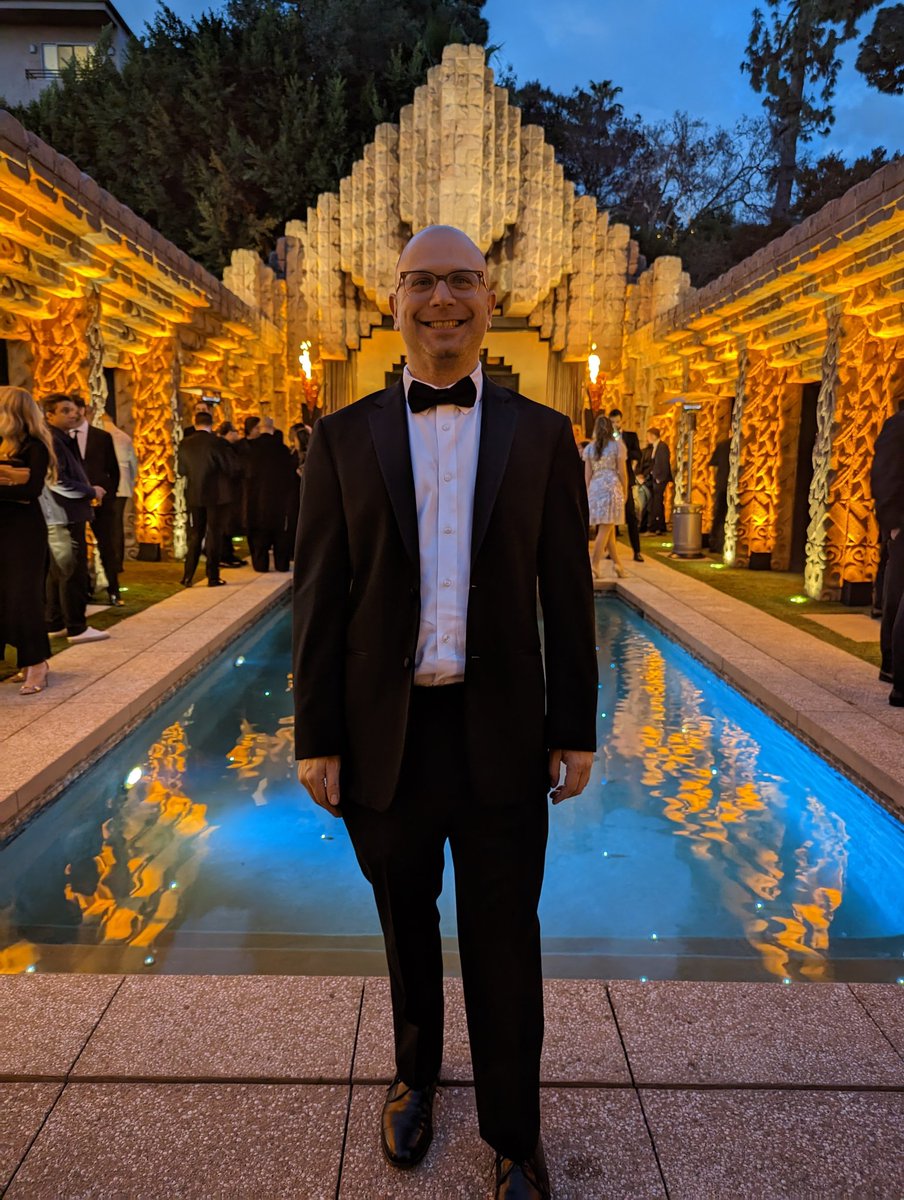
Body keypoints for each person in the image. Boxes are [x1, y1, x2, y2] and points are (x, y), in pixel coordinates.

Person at [293, 225, 597, 1200]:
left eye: (461, 280)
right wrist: (315, 736)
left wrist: (575, 723)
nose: (442, 300)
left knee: (505, 938)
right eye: (422, 281)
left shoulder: (544, 436)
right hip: (387, 740)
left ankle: (514, 1133)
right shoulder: (339, 439)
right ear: (396, 302)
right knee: (404, 923)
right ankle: (414, 1076)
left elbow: (567, 590)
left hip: (503, 734)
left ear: (489, 297)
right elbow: (318, 597)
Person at [41, 395, 109, 643]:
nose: (74, 414)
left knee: (59, 571)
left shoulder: (61, 438)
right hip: (63, 514)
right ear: (50, 415)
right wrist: (92, 491)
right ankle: (76, 627)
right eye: (65, 410)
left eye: (74, 410)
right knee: (71, 571)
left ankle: (56, 622)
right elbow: (56, 480)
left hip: (63, 513)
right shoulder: (53, 440)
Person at [0, 387, 55, 694]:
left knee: (25, 596)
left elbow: (31, 490)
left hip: (23, 532)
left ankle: (36, 662)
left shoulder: (34, 446)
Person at [176, 410, 238, 587]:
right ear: (211, 424)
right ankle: (213, 576)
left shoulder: (185, 444)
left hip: (194, 494)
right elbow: (230, 467)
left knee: (195, 535)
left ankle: (188, 575)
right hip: (217, 495)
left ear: (195, 423)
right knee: (214, 535)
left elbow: (181, 470)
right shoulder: (217, 443)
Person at [870, 397, 904, 706]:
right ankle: (895, 672)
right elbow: (885, 475)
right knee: (897, 600)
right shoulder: (898, 425)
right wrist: (893, 524)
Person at [71, 396, 121, 605]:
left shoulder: (101, 437)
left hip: (101, 501)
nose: (73, 415)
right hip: (73, 501)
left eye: (75, 410)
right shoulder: (61, 438)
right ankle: (83, 590)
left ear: (84, 411)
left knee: (106, 545)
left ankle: (114, 591)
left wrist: (108, 495)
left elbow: (114, 470)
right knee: (76, 547)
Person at [243, 416, 294, 572]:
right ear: (273, 429)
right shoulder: (283, 450)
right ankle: (282, 564)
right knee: (280, 534)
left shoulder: (251, 449)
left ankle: (261, 565)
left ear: (260, 429)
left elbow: (247, 474)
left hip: (257, 499)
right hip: (279, 500)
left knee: (259, 533)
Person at [584, 413, 628, 580]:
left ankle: (618, 565)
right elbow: (622, 472)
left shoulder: (590, 448)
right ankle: (594, 564)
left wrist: (587, 493)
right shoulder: (617, 446)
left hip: (595, 488)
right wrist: (624, 490)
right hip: (611, 487)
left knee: (608, 529)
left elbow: (587, 475)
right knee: (606, 528)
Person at [102, 411, 138, 575]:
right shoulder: (124, 437)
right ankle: (118, 561)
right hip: (123, 484)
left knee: (107, 524)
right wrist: (131, 482)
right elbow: (133, 465)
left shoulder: (98, 434)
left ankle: (108, 560)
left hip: (105, 484)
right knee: (117, 523)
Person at [608, 408, 643, 562]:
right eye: (613, 422)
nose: (615, 424)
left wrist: (623, 447)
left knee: (630, 515)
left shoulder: (630, 436)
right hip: (610, 480)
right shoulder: (606, 438)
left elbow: (638, 454)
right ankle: (611, 550)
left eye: (617, 421)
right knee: (611, 517)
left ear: (621, 421)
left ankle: (637, 551)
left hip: (625, 479)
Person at [216, 421, 247, 568]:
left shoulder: (227, 448)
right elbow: (233, 468)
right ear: (228, 433)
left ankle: (228, 554)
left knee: (227, 525)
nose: (237, 434)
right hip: (225, 492)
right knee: (225, 525)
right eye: (235, 431)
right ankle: (224, 555)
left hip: (226, 491)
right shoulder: (225, 448)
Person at [643, 426, 672, 534]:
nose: (647, 438)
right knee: (656, 502)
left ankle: (656, 526)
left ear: (654, 436)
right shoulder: (654, 447)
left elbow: (663, 463)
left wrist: (660, 478)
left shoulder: (662, 447)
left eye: (649, 436)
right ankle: (659, 525)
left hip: (659, 479)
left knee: (657, 503)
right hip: (654, 478)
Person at [708, 437, 731, 556]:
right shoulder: (741, 443)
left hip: (722, 483)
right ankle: (718, 542)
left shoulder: (723, 444)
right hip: (729, 484)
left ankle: (715, 543)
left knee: (719, 515)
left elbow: (713, 464)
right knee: (723, 514)